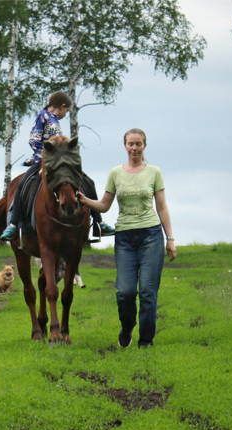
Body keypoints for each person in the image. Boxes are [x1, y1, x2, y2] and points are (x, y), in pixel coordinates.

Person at [78, 128, 176, 348]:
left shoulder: (154, 172)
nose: (134, 148)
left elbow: (162, 207)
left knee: (148, 292)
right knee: (125, 291)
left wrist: (170, 238)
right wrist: (84, 200)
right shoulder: (115, 173)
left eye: (138, 144)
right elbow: (104, 204)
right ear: (125, 146)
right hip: (125, 238)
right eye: (131, 144)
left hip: (151, 235)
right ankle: (127, 326)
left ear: (144, 146)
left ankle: (146, 341)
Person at [0, 91, 115, 240]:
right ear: (61, 106)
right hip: (43, 161)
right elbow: (33, 139)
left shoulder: (55, 120)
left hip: (60, 162)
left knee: (88, 182)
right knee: (22, 184)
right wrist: (47, 154)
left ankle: (99, 223)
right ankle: (14, 225)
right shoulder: (43, 116)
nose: (66, 114)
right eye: (66, 111)